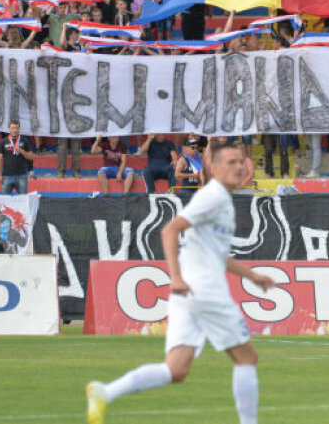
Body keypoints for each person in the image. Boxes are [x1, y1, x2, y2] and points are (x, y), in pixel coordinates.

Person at [86, 144, 274, 424]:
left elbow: (215, 252)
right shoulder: (213, 197)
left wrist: (251, 276)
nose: (239, 167)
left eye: (241, 162)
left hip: (189, 293)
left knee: (176, 369)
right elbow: (170, 229)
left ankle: (104, 392)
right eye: (232, 162)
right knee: (246, 357)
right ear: (216, 168)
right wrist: (175, 276)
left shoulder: (222, 200)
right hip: (204, 289)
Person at [0, 122, 35, 195]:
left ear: (19, 129)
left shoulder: (24, 140)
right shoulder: (3, 142)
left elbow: (31, 157)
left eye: (17, 128)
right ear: (9, 129)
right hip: (7, 176)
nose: (15, 130)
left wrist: (22, 151)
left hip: (21, 175)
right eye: (13, 128)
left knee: (24, 201)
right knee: (5, 201)